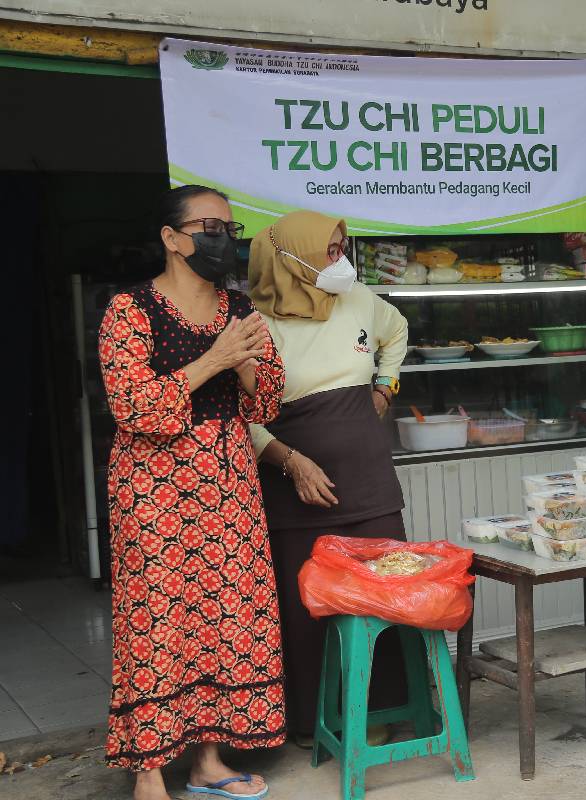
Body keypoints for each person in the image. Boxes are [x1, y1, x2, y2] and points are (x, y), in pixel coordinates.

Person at [101, 185, 285, 800]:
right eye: (208, 226)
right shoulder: (130, 310)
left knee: (225, 618)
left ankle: (208, 762)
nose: (221, 239)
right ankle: (148, 773)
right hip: (154, 487)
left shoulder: (240, 308)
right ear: (171, 237)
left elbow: (267, 401)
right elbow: (131, 406)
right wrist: (212, 360)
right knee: (157, 620)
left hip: (228, 480)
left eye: (229, 230)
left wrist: (243, 363)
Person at [247, 210, 411, 747]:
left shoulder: (358, 298)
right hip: (296, 486)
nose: (339, 259)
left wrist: (384, 388)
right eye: (328, 249)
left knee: (383, 595)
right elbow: (240, 416)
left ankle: (386, 710)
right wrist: (291, 461)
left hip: (368, 479)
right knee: (309, 603)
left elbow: (397, 330)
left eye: (343, 246)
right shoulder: (254, 326)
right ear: (289, 258)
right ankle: (310, 722)